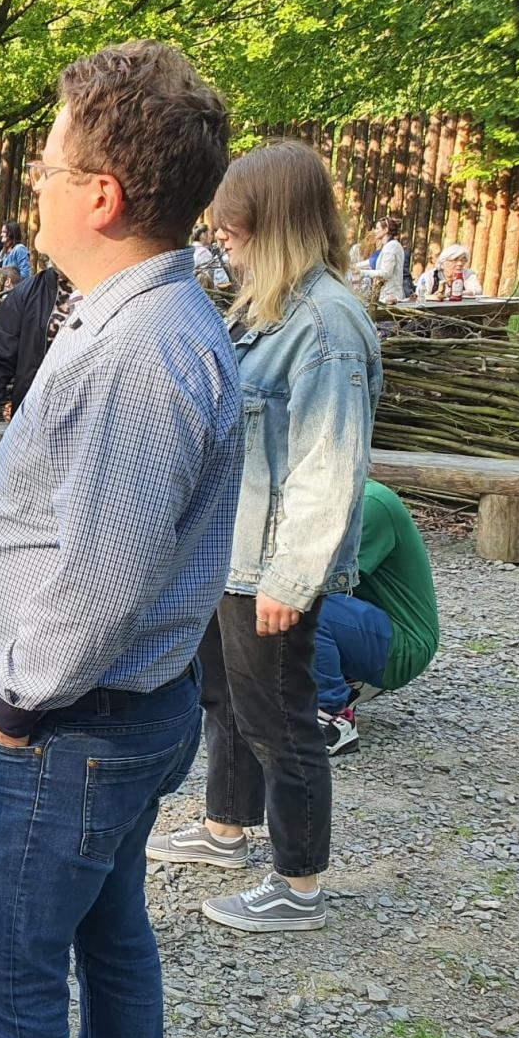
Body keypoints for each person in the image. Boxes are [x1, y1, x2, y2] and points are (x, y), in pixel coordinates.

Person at [0, 41, 238, 1038]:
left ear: (102, 197)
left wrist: (12, 699)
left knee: (12, 971)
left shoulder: (140, 352)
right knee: (110, 938)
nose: (35, 182)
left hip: (72, 727)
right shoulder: (127, 315)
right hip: (112, 719)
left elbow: (102, 585)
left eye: (48, 167)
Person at [147, 139, 383, 934]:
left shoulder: (326, 326)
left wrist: (292, 578)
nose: (222, 241)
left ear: (274, 223)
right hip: (232, 553)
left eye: (232, 228)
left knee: (280, 720)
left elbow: (330, 465)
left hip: (270, 567)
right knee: (227, 700)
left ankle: (298, 883)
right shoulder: (269, 309)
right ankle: (225, 829)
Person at [313, 480, 440, 755]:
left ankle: (332, 716)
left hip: (403, 643)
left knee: (301, 604)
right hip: (366, 625)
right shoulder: (317, 498)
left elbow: (313, 581)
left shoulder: (369, 503)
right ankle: (344, 683)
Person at [0, 264, 80, 446]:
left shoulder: (109, 289)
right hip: (35, 419)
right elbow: (0, 358)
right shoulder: (27, 293)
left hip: (91, 420)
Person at [417, 242, 483, 300]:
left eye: (463, 260)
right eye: (455, 260)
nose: (460, 263)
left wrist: (460, 293)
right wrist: (434, 297)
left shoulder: (467, 274)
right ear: (443, 262)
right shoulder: (429, 276)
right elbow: (419, 295)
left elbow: (477, 291)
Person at [370, 215, 409, 301]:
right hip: (385, 295)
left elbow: (386, 273)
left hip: (390, 297)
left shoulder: (391, 247)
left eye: (377, 228)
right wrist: (355, 266)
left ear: (386, 230)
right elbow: (372, 262)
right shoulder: (388, 246)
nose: (375, 231)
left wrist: (362, 273)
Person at [0, 220, 31, 286]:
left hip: (16, 289)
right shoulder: (2, 252)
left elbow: (25, 274)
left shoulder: (19, 249)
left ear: (11, 233)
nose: (1, 234)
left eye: (4, 232)